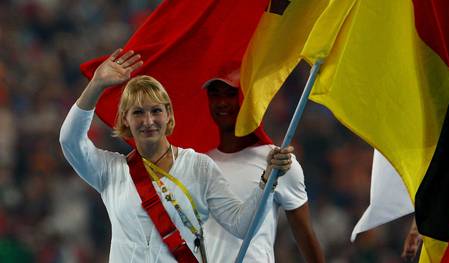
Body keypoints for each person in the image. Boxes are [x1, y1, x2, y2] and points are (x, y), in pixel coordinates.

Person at [59, 49, 295, 263]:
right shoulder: (111, 171)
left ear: (169, 115)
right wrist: (96, 85)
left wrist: (267, 181)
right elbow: (70, 141)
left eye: (156, 111)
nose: (148, 121)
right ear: (125, 120)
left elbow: (242, 225)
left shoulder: (198, 167)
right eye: (138, 112)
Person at [202, 71, 325, 262]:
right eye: (215, 95)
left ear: (248, 99)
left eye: (231, 94)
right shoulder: (199, 164)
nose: (222, 102)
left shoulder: (279, 162)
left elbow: (305, 234)